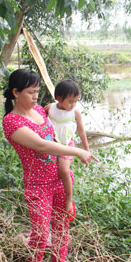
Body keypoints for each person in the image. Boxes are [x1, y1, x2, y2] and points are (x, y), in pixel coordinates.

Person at [2, 69, 96, 262]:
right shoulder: (12, 122)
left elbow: (60, 126)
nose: (36, 97)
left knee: (62, 224)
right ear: (16, 92)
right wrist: (77, 151)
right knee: (41, 235)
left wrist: (70, 147)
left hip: (60, 179)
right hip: (38, 185)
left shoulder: (38, 109)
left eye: (37, 91)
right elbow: (41, 144)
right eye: (31, 92)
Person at [44, 80, 90, 222]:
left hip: (66, 144)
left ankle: (69, 199)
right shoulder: (49, 108)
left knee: (64, 171)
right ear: (58, 97)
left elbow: (81, 131)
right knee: (48, 169)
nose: (73, 104)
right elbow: (39, 121)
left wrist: (86, 150)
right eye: (70, 101)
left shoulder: (75, 112)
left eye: (76, 101)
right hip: (51, 143)